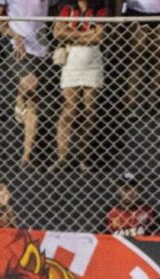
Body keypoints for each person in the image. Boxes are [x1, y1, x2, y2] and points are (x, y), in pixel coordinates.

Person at [0, 0, 51, 168]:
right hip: (17, 47)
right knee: (31, 85)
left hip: (42, 47)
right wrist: (14, 35)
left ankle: (27, 156)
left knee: (34, 104)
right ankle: (20, 96)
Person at [50, 0, 106, 173]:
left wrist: (72, 33)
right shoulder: (67, 8)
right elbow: (58, 33)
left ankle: (83, 157)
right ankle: (62, 157)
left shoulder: (100, 10)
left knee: (89, 112)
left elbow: (99, 36)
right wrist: (86, 35)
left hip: (93, 63)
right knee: (69, 109)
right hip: (72, 62)